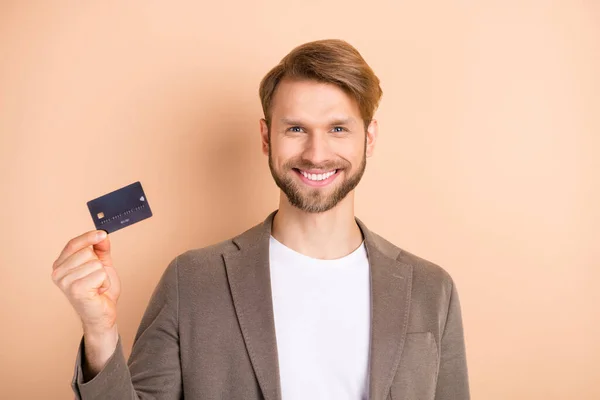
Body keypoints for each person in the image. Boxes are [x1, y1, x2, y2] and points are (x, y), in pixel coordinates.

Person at [52, 39, 470, 400]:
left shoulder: (431, 290)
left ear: (370, 137)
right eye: (295, 129)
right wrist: (100, 330)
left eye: (338, 128)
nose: (317, 153)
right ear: (267, 137)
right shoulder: (192, 280)